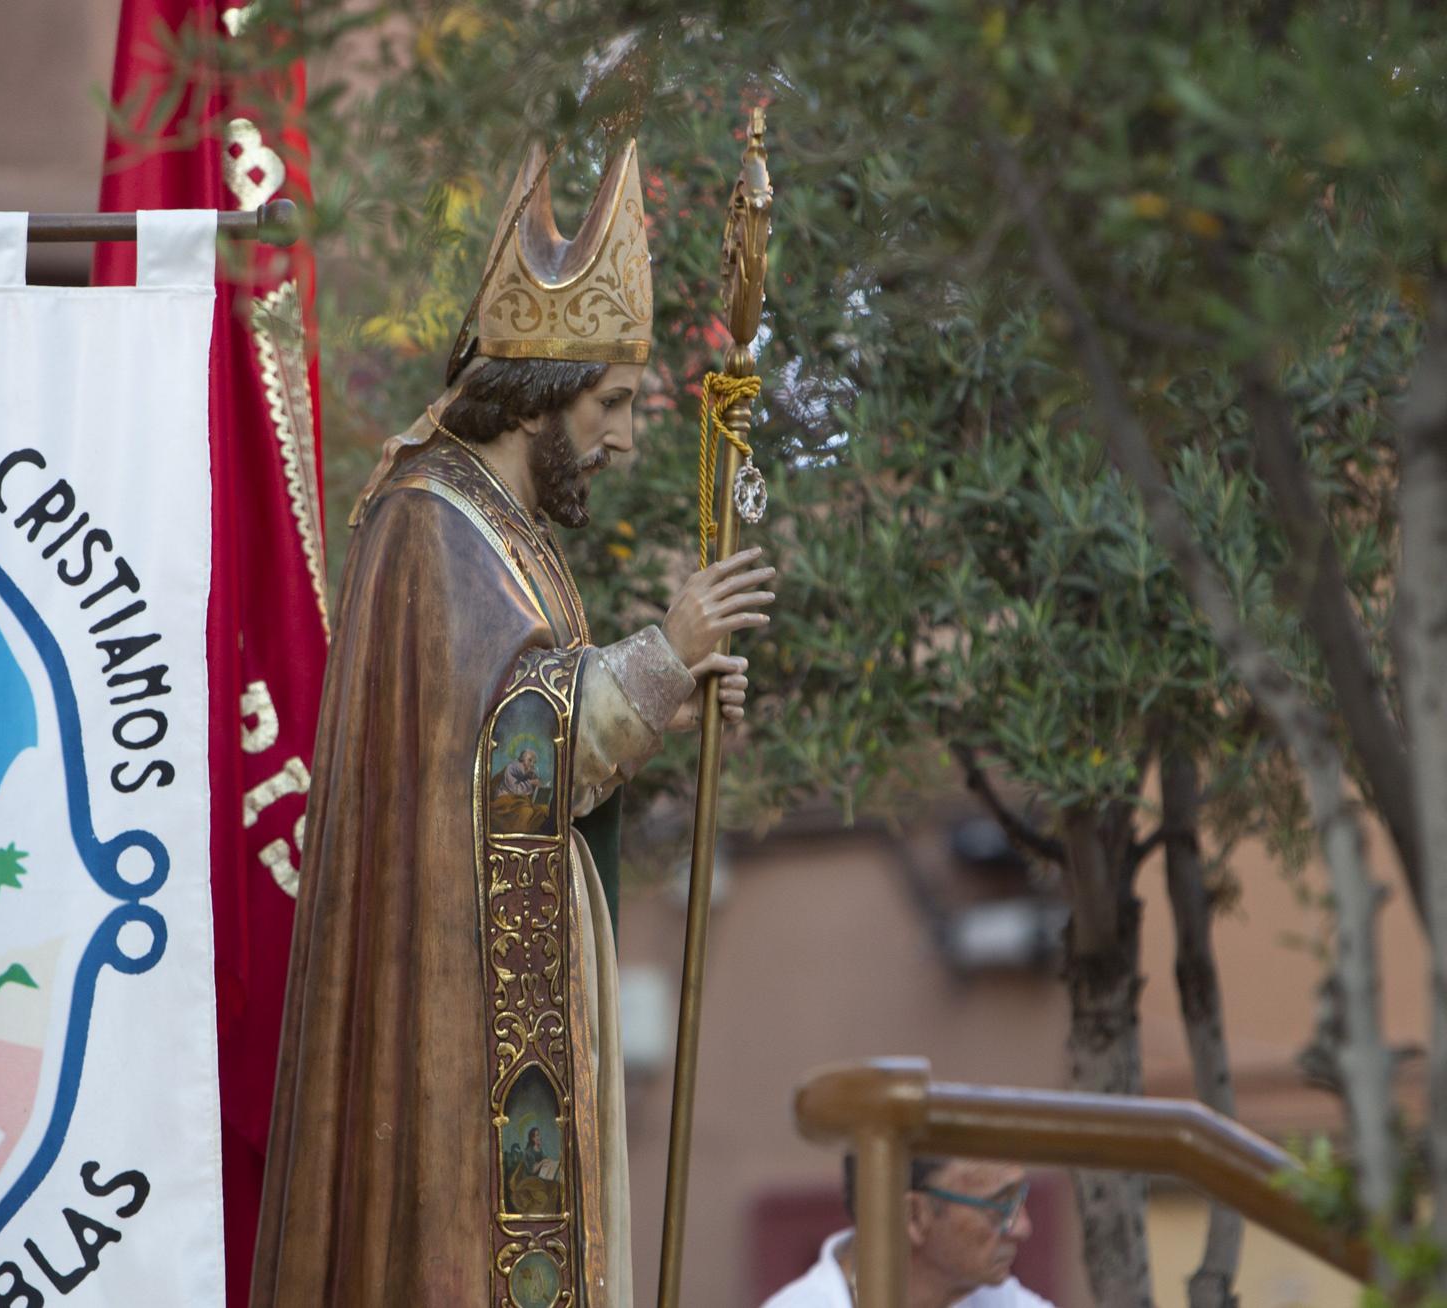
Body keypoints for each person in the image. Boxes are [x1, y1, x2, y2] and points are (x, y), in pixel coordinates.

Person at [251, 139, 774, 1307]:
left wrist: (668, 697)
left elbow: (537, 737)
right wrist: (659, 657)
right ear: (536, 389)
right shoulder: (431, 523)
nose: (626, 438)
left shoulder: (503, 529)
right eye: (612, 403)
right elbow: (504, 750)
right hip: (452, 1013)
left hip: (506, 990)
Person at [760, 1155, 1058, 1308]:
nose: (1022, 1228)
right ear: (913, 1216)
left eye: (1021, 1198)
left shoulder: (997, 1299)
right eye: (999, 1207)